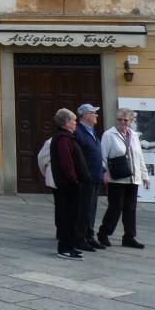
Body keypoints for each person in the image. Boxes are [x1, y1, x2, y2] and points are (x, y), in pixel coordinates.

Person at [99, 107, 150, 249]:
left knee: (130, 208)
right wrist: (103, 172)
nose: (122, 122)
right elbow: (102, 156)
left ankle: (129, 237)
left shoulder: (134, 135)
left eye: (125, 120)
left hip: (133, 178)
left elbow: (139, 157)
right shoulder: (109, 135)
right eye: (119, 119)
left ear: (131, 121)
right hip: (117, 177)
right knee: (115, 207)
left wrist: (145, 176)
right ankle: (104, 233)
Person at [50, 108, 90, 260]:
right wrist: (74, 179)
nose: (76, 123)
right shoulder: (63, 139)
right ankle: (65, 248)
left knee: (73, 216)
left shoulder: (66, 137)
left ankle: (70, 246)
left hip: (70, 183)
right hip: (68, 185)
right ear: (66, 122)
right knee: (69, 217)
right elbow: (67, 163)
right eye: (74, 121)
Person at [73, 104, 106, 251]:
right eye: (94, 113)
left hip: (95, 175)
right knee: (83, 209)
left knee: (91, 208)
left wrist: (103, 170)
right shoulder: (78, 131)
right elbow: (78, 156)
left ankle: (89, 236)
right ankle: (79, 238)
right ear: (85, 115)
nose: (96, 115)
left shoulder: (91, 131)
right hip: (86, 177)